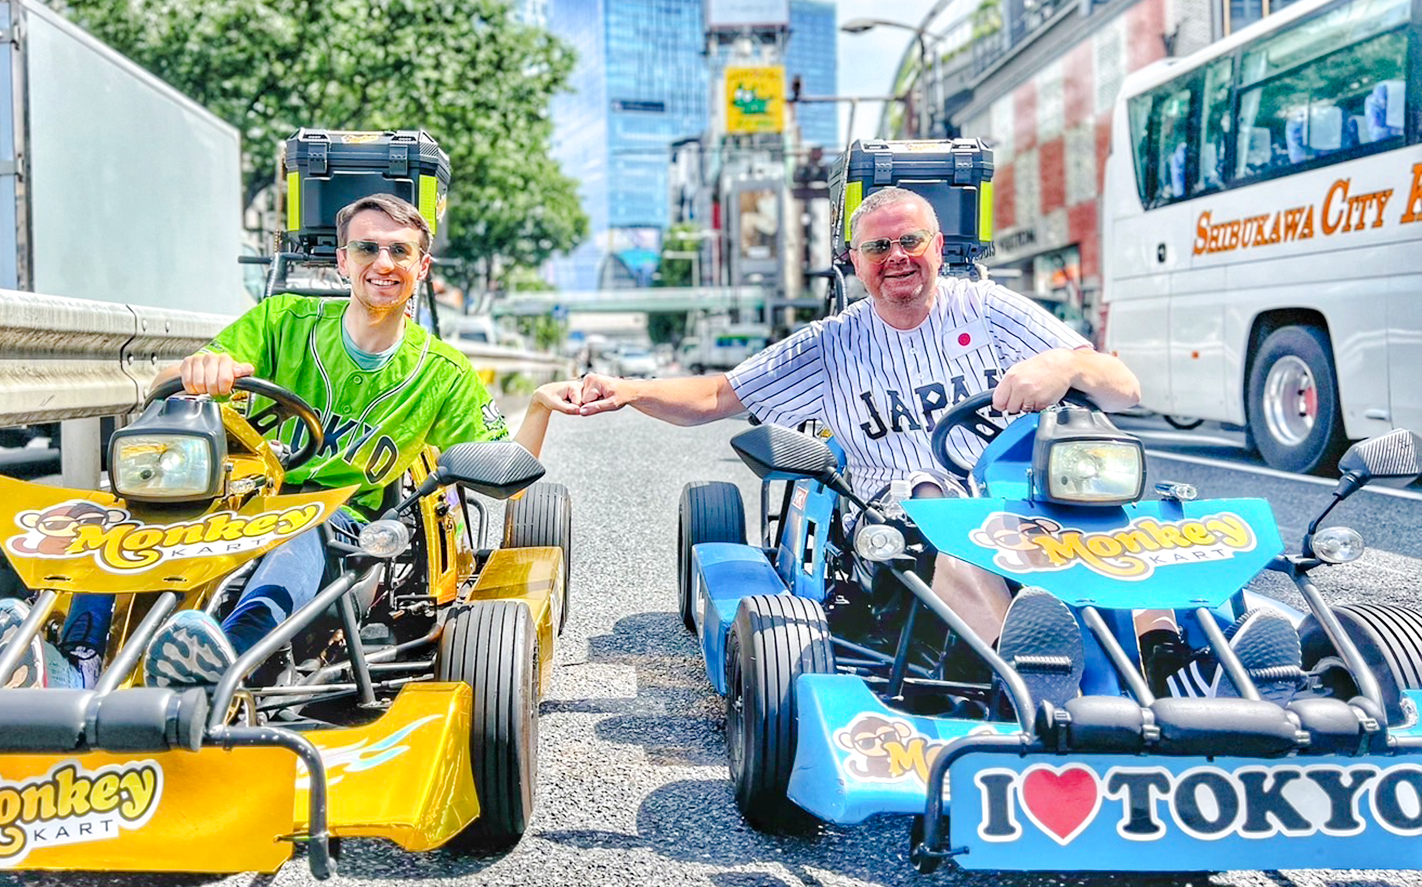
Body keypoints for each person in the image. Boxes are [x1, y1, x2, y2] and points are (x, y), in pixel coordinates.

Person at [556, 186, 1297, 707]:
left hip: (1033, 509)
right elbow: (719, 396)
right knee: (938, 505)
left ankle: (1173, 667)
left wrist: (1066, 365)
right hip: (903, 522)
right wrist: (627, 391)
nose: (897, 257)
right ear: (855, 262)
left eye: (910, 241)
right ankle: (1026, 670)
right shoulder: (832, 344)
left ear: (937, 247)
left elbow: (1123, 387)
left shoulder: (992, 309)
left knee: (1117, 511)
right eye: (878, 248)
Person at [0, 193, 569, 690]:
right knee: (117, 514)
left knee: (300, 532)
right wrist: (202, 370)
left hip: (334, 523)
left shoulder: (442, 372)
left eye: (399, 251)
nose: (384, 262)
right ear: (344, 262)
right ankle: (75, 661)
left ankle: (221, 657)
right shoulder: (282, 320)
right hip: (230, 505)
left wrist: (538, 406)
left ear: (420, 268)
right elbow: (177, 375)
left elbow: (505, 468)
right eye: (368, 248)